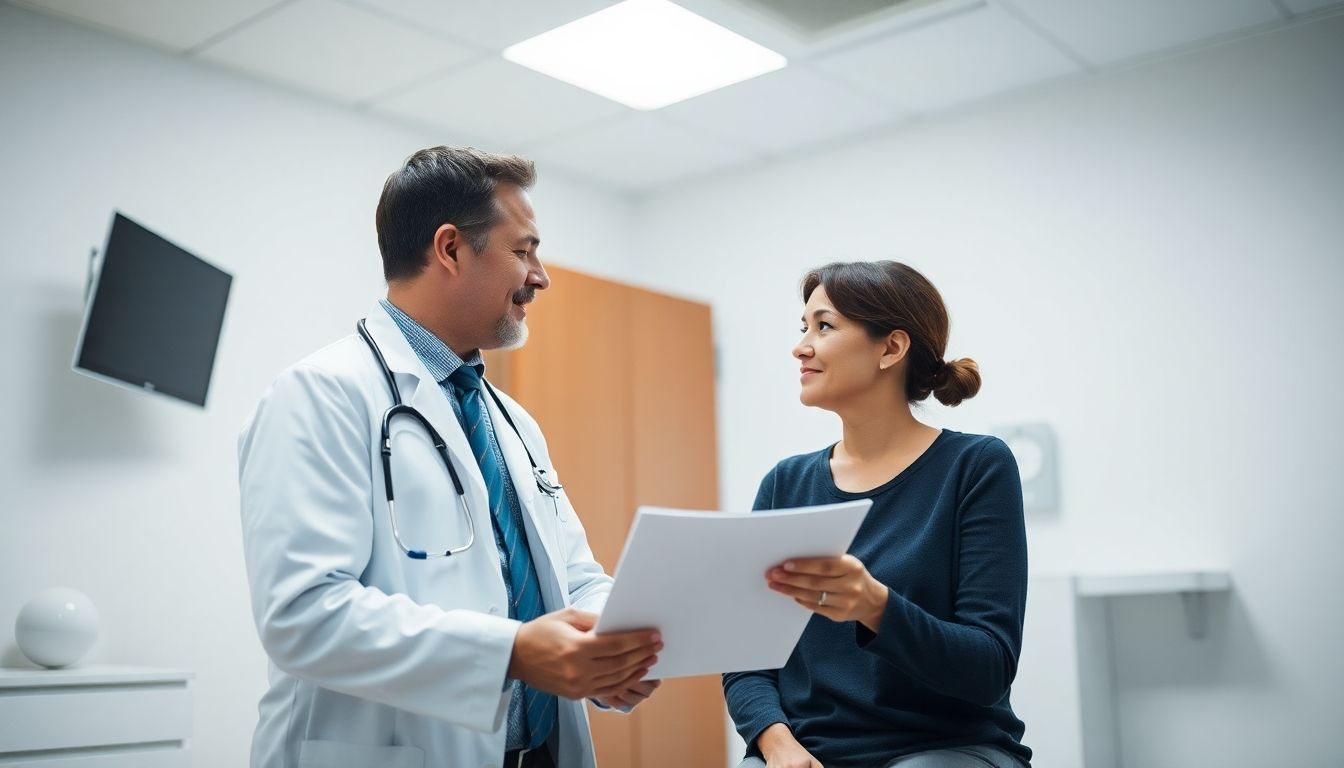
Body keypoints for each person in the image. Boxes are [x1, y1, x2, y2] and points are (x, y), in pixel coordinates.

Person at [238, 146, 661, 768]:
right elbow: (303, 616)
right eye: (524, 251)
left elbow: (574, 577)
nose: (540, 277)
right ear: (451, 249)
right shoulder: (320, 395)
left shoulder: (512, 422)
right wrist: (511, 653)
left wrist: (608, 646)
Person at [724, 261, 1031, 768]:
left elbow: (989, 669)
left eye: (824, 326)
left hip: (944, 748)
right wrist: (777, 746)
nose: (801, 347)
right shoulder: (785, 485)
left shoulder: (976, 466)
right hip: (806, 751)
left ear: (891, 348)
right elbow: (746, 654)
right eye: (803, 327)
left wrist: (875, 606)